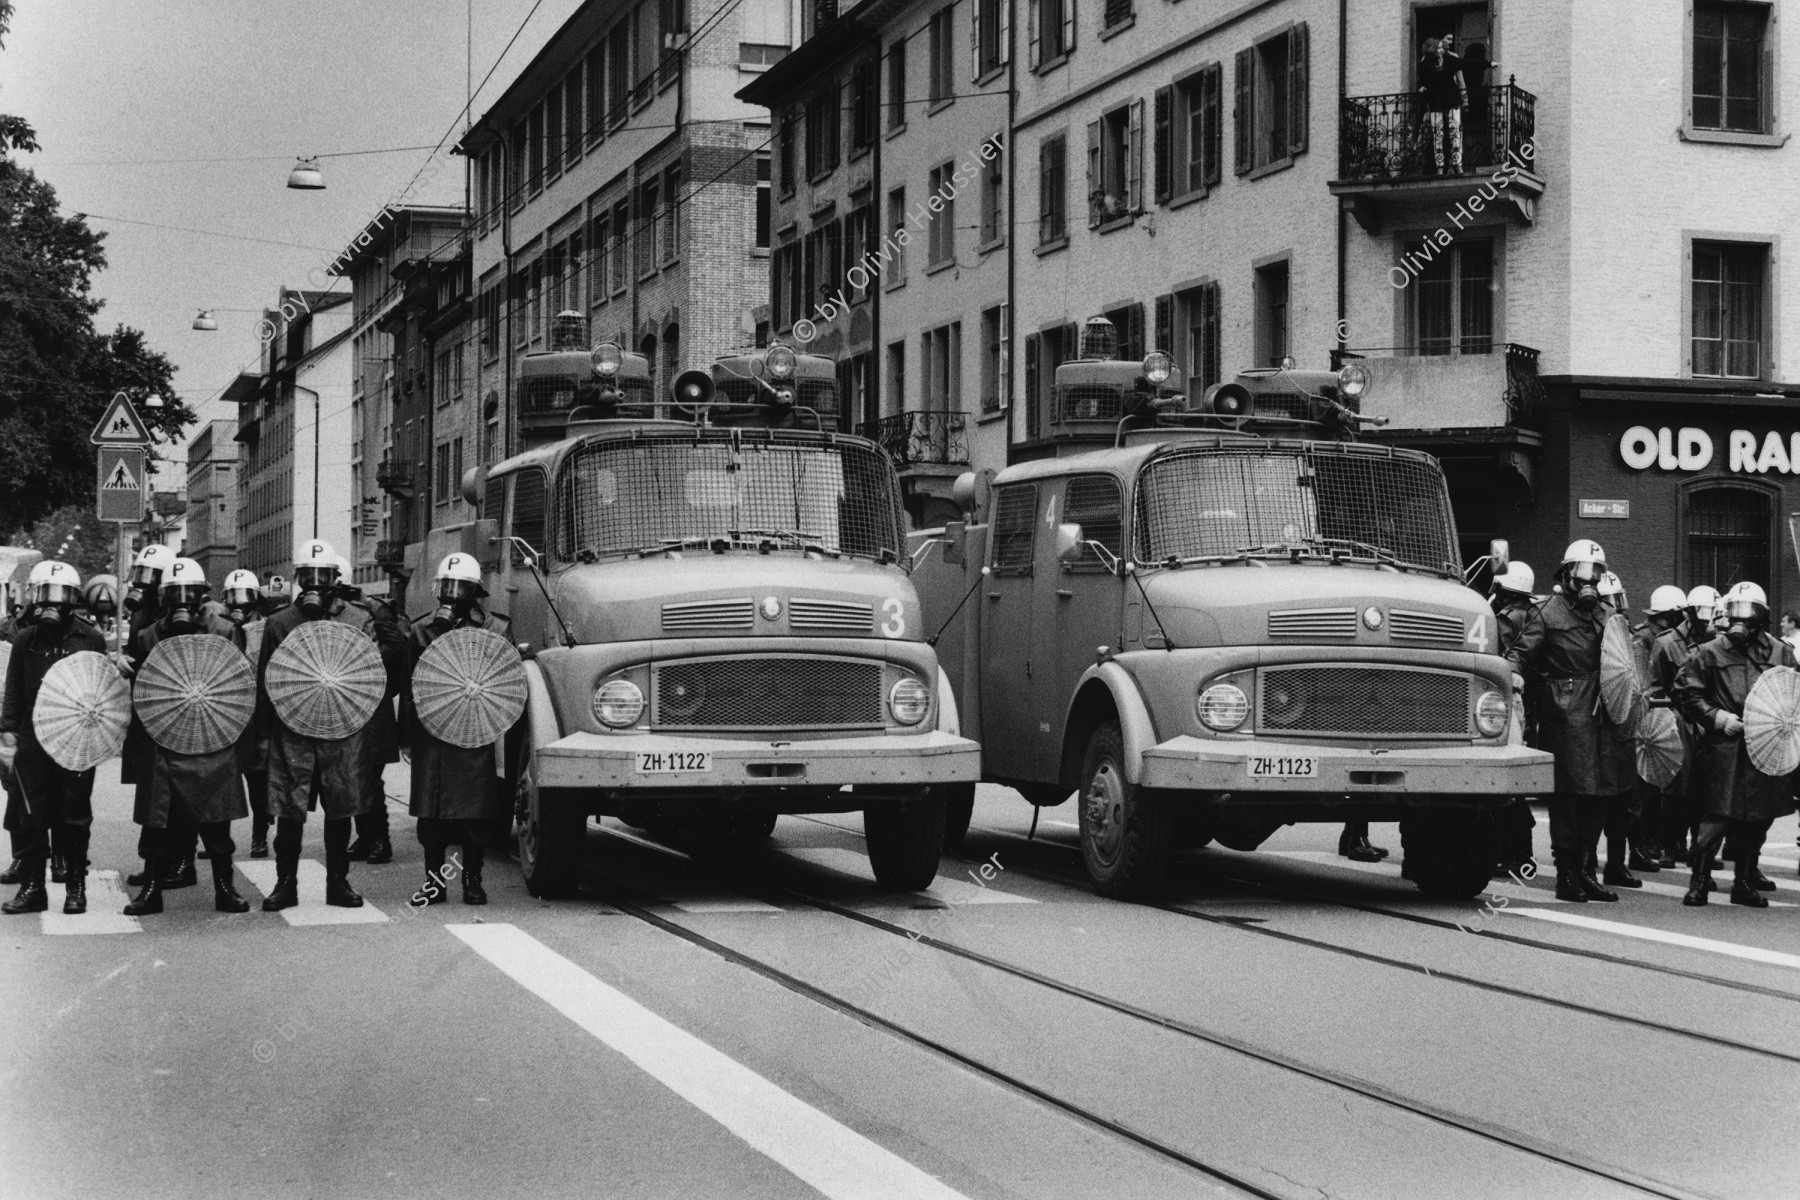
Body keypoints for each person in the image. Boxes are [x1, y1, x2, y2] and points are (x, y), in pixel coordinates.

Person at [255, 540, 407, 911]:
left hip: (343, 730)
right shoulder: (279, 622)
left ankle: (338, 883)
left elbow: (369, 676)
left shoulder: (357, 619)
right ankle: (285, 884)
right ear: (297, 579)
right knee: (289, 814)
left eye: (324, 578)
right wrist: (261, 737)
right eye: (309, 577)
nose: (316, 585)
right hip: (293, 732)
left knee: (340, 811)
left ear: (336, 581)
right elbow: (265, 682)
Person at [119, 560, 253, 916]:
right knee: (156, 821)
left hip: (213, 734)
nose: (183, 602)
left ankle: (225, 888)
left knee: (216, 822)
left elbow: (239, 683)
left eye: (189, 595)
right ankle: (151, 888)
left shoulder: (223, 630)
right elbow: (141, 693)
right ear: (164, 598)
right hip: (162, 737)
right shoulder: (148, 635)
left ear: (202, 597)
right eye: (175, 594)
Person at [1507, 540, 1637, 902]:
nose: (1589, 581)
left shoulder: (1608, 613)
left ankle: (1585, 870)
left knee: (1601, 794)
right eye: (1581, 572)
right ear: (1565, 574)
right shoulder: (1546, 612)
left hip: (1605, 710)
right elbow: (1519, 653)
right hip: (1565, 709)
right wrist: (1514, 674)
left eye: (1595, 573)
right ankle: (1566, 874)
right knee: (1570, 794)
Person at [401, 554, 513, 905]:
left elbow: (507, 679)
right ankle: (434, 884)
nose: (450, 595)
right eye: (445, 587)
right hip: (431, 733)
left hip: (474, 730)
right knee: (431, 816)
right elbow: (409, 688)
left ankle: (473, 881)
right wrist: (406, 737)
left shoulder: (495, 628)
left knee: (475, 815)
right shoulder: (421, 630)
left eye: (458, 587)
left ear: (474, 591)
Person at [1674, 582, 1793, 906]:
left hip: (1765, 748)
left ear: (1762, 618)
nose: (1742, 620)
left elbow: (1793, 693)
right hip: (1723, 747)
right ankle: (1699, 879)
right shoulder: (1708, 652)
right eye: (1736, 612)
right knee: (1717, 815)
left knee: (1757, 817)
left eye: (1749, 613)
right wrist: (1716, 718)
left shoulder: (1780, 652)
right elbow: (1687, 693)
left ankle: (1743, 880)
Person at [0, 562, 108, 915]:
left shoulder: (89, 638)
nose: (51, 605)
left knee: (73, 815)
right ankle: (33, 887)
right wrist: (8, 737)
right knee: (31, 816)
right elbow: (13, 691)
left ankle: (76, 886)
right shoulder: (25, 640)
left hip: (76, 740)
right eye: (45, 595)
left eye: (60, 597)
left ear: (73, 601)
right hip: (32, 741)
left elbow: (100, 690)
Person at [120, 545, 194, 893]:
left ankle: (182, 859)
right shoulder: (142, 613)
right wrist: (125, 660)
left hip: (179, 709)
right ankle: (157, 860)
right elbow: (137, 650)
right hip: (149, 707)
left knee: (182, 791)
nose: (143, 583)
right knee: (155, 792)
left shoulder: (181, 612)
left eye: (152, 576)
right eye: (141, 574)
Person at [340, 555, 401, 866]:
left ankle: (380, 839)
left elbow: (396, 648)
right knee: (350, 775)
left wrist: (363, 658)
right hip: (344, 703)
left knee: (368, 777)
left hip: (371, 703)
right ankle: (365, 836)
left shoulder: (373, 608)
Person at [1628, 585, 1690, 874]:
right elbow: (1643, 684)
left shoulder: (1664, 638)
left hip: (1662, 718)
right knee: (1647, 788)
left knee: (1660, 785)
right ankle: (1646, 840)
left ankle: (1657, 840)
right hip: (1649, 717)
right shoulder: (1644, 638)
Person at [1490, 561, 1539, 875]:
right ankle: (1520, 852)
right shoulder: (1534, 616)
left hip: (1507, 700)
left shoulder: (1505, 620)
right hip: (1526, 702)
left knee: (1505, 781)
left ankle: (1517, 853)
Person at [221, 570, 271, 859]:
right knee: (221, 780)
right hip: (228, 714)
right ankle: (219, 836)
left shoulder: (266, 629)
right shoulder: (220, 629)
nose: (238, 605)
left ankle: (259, 835)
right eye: (233, 599)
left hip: (255, 714)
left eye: (244, 598)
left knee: (257, 781)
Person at [1417, 34, 1468, 175]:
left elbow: (1460, 81)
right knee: (1431, 135)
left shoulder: (1452, 58)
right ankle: (1424, 166)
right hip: (1435, 103)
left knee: (1454, 132)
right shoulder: (1426, 61)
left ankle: (1454, 165)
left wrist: (1465, 100)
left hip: (1450, 100)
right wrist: (1422, 87)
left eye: (1453, 38)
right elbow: (1423, 79)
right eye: (1448, 39)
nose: (1451, 42)